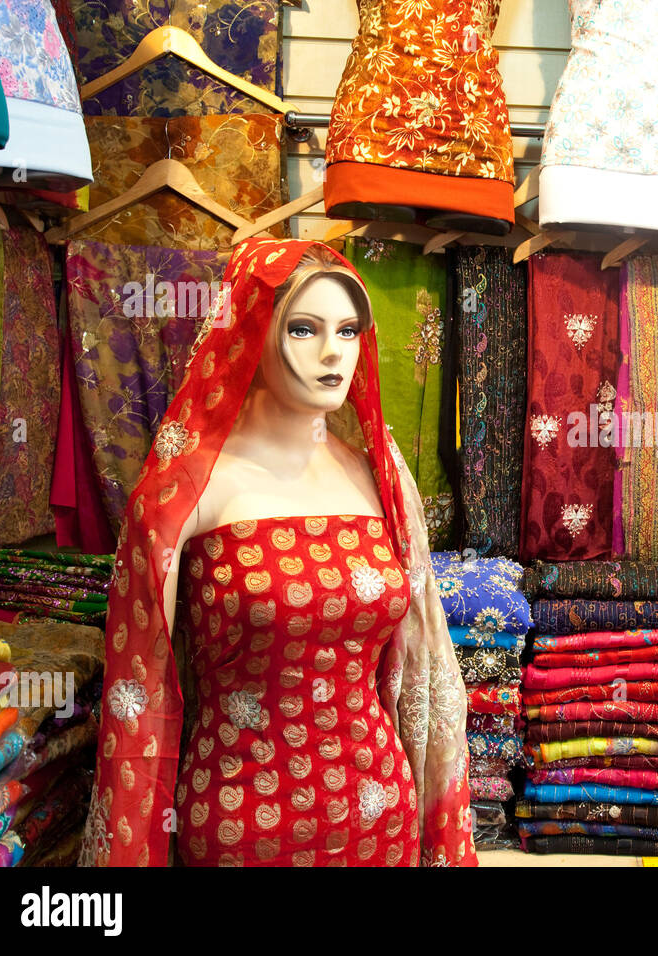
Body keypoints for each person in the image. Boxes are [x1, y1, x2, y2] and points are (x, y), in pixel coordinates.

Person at [79, 238, 475, 866]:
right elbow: (139, 695)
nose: (331, 353)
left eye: (348, 331)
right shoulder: (186, 492)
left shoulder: (381, 478)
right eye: (303, 328)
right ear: (250, 330)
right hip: (242, 824)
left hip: (381, 815)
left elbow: (426, 671)